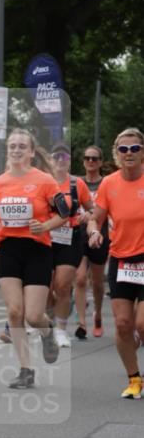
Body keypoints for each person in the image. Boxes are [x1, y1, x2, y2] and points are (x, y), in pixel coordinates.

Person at [0, 129, 66, 388]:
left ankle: (47, 333)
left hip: (37, 249)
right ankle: (26, 370)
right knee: (15, 312)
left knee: (34, 316)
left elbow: (64, 213)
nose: (16, 150)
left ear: (30, 151)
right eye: (12, 146)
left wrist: (46, 225)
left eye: (21, 146)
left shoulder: (45, 181)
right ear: (8, 150)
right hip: (8, 250)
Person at [87, 127, 144, 399]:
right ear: (116, 154)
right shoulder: (109, 184)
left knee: (142, 324)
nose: (129, 153)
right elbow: (95, 218)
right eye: (123, 149)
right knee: (123, 324)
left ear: (142, 152)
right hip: (122, 260)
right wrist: (95, 232)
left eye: (134, 149)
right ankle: (135, 380)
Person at [47, 141, 93, 347]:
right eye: (56, 157)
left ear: (69, 161)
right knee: (46, 288)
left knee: (63, 286)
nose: (60, 161)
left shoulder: (76, 184)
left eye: (64, 157)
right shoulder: (43, 182)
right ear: (50, 159)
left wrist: (87, 217)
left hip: (69, 239)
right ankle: (48, 323)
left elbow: (93, 210)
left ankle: (60, 329)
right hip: (45, 240)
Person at [75, 145, 109, 339]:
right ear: (83, 161)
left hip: (100, 235)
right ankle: (82, 323)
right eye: (87, 158)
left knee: (96, 281)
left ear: (101, 162)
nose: (90, 162)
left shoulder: (106, 183)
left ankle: (97, 314)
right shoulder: (78, 183)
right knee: (79, 279)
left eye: (95, 159)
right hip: (78, 235)